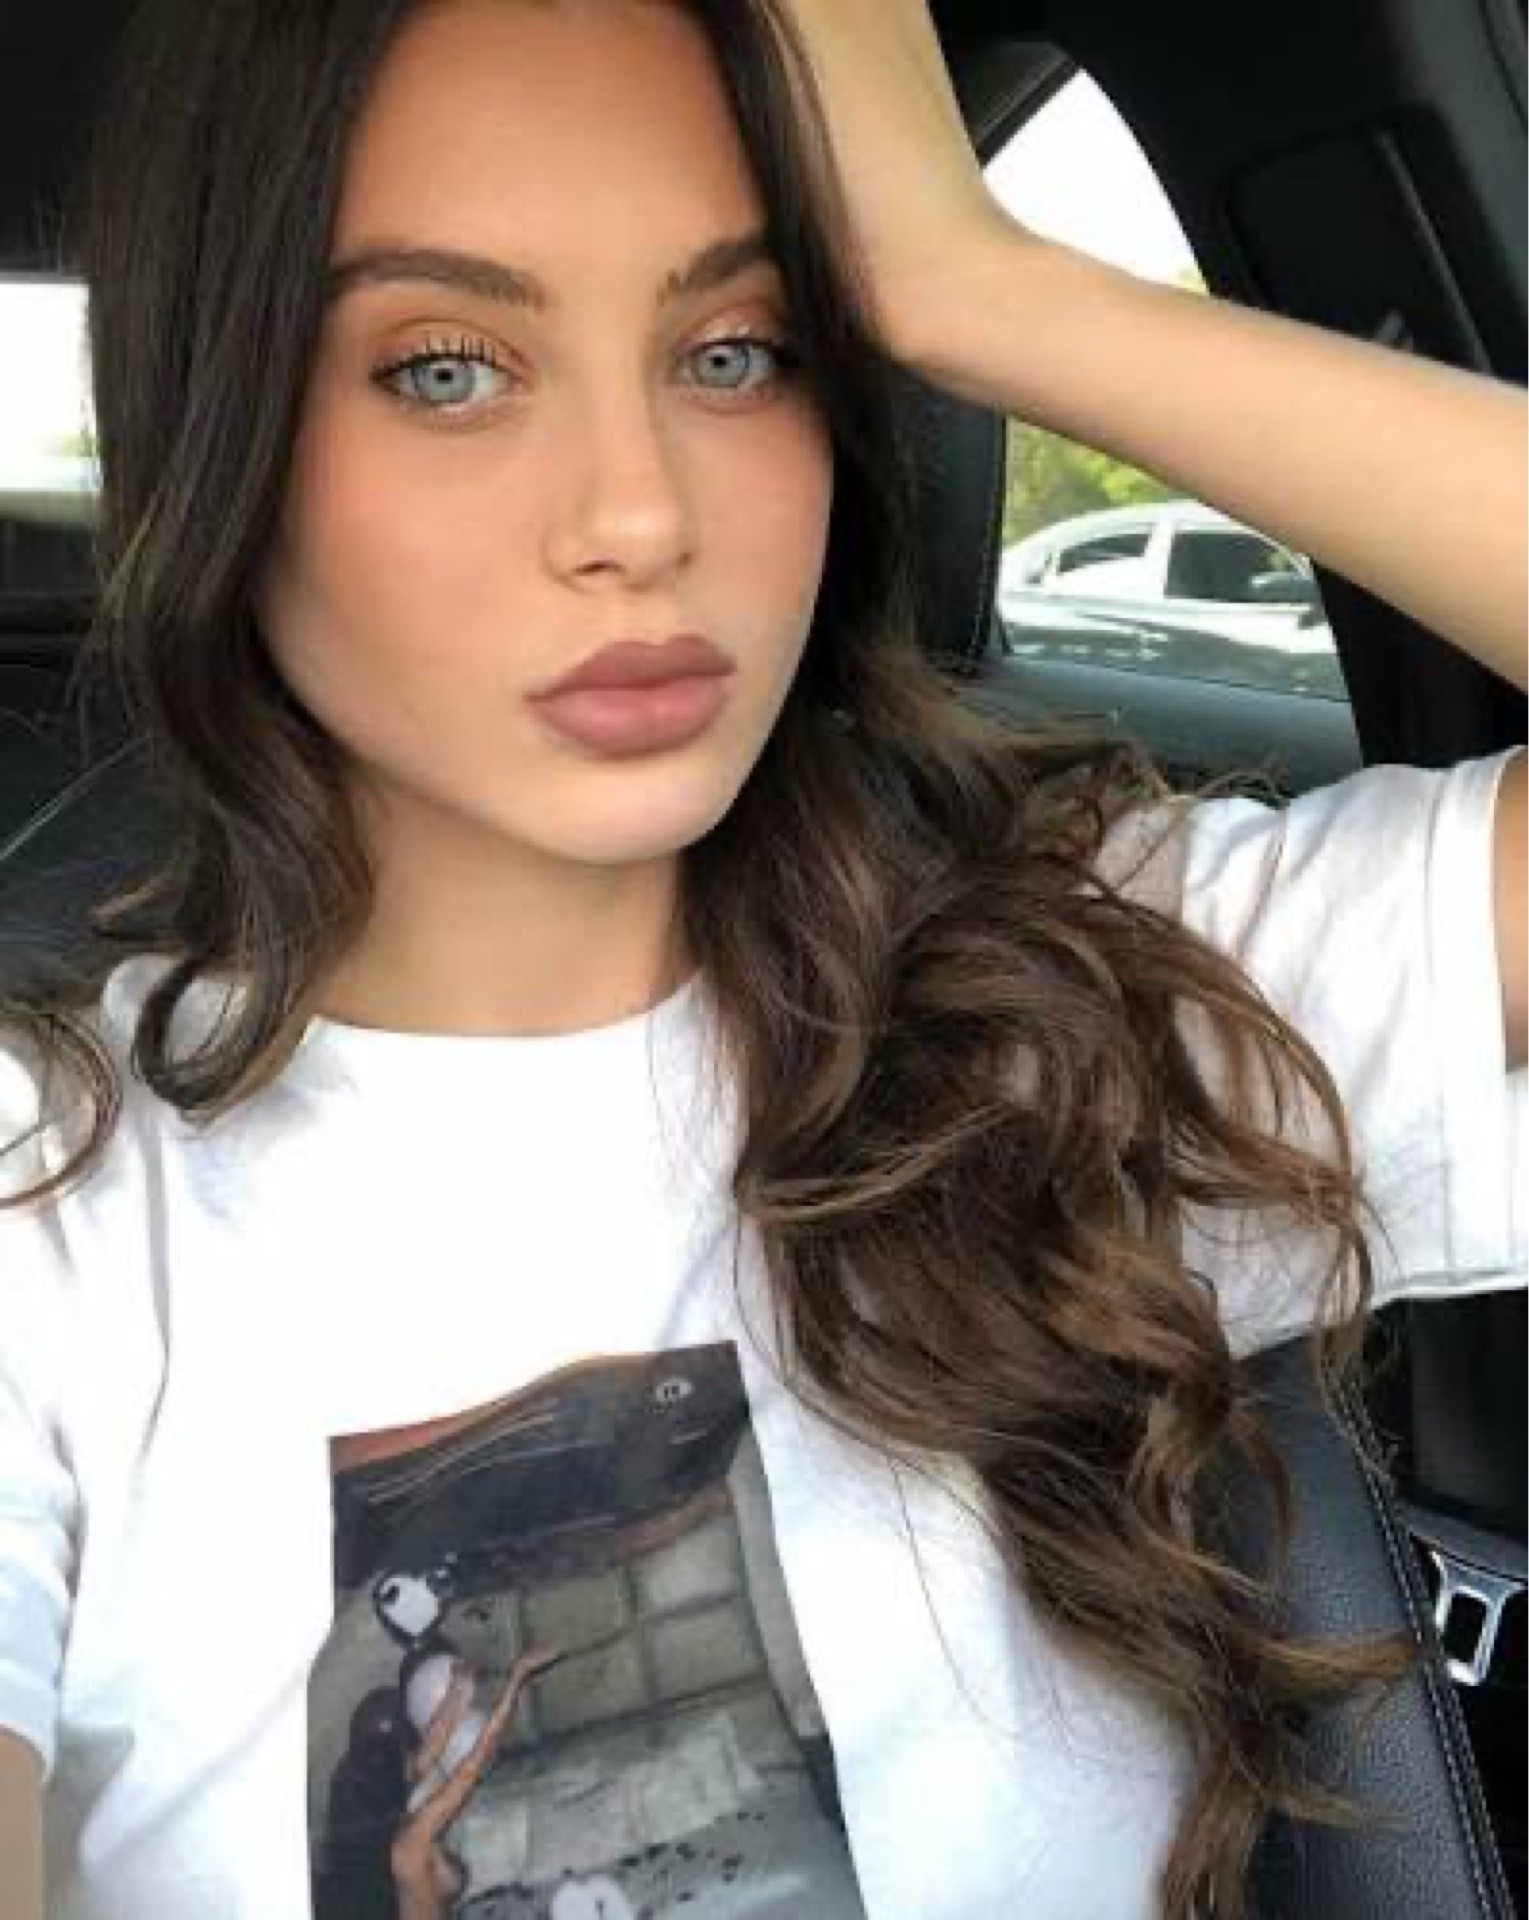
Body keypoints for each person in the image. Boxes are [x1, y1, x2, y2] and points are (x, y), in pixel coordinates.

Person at [0, 1, 1523, 1916]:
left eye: (736, 350)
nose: (640, 514)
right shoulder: (53, 1210)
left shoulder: (1086, 1006)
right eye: (447, 368)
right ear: (217, 427)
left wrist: (984, 286)